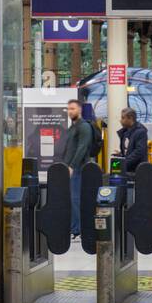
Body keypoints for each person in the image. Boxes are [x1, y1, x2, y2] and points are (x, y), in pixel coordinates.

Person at [60, 99, 94, 238]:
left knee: (75, 199)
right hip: (69, 168)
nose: (70, 111)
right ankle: (74, 227)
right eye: (68, 109)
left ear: (79, 110)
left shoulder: (84, 127)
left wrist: (72, 166)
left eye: (73, 109)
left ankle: (76, 230)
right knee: (72, 198)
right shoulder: (72, 127)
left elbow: (82, 147)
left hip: (78, 168)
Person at [116, 107, 148, 176]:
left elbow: (139, 152)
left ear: (130, 118)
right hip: (128, 169)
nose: (120, 120)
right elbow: (129, 149)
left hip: (137, 171)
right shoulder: (125, 131)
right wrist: (121, 154)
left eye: (123, 118)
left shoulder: (141, 132)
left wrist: (124, 162)